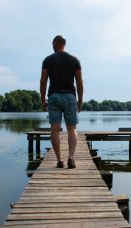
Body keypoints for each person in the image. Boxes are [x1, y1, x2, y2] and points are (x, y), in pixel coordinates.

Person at [40, 35, 84, 169]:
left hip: (54, 97)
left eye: (52, 43)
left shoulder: (48, 60)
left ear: (55, 43)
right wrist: (80, 101)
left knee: (54, 129)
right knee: (72, 128)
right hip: (70, 97)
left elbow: (43, 82)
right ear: (64, 44)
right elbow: (79, 82)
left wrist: (43, 100)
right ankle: (71, 158)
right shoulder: (74, 60)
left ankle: (59, 160)